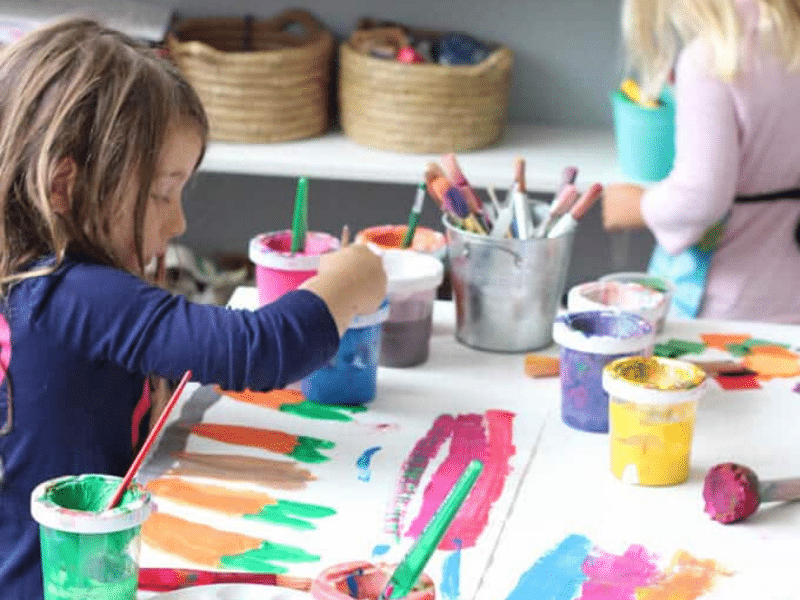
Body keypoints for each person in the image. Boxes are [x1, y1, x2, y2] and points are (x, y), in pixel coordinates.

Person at [0, 19, 387, 598]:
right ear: (63, 186)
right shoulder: (72, 294)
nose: (179, 221)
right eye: (163, 192)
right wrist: (349, 279)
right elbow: (261, 349)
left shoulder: (24, 278)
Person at [602, 0, 800, 323]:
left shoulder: (715, 61)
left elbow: (700, 197)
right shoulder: (788, 46)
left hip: (732, 308)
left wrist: (638, 206)